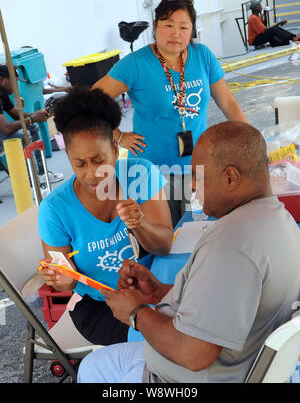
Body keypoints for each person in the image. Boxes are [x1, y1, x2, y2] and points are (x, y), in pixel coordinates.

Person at [77, 120, 300, 383]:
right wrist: (162, 291)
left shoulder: (229, 245)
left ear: (230, 177)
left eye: (198, 175)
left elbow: (193, 354)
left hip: (191, 378)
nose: (192, 186)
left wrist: (136, 313)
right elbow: (231, 300)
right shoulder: (280, 220)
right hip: (240, 361)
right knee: (93, 365)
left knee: (95, 371)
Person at [92, 0, 247, 228]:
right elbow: (92, 101)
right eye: (168, 25)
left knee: (196, 231)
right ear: (155, 27)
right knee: (162, 237)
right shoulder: (135, 64)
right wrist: (118, 136)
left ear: (192, 29)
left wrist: (251, 142)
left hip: (197, 167)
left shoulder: (203, 56)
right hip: (150, 171)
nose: (176, 33)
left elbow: (227, 102)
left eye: (184, 27)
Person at [37, 87, 173, 346]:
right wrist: (64, 279)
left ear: (114, 147)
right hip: (99, 307)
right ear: (68, 157)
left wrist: (139, 223)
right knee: (164, 341)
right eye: (79, 163)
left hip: (156, 289)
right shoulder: (54, 210)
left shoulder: (140, 175)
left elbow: (164, 246)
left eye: (99, 160)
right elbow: (65, 281)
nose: (92, 174)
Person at [0, 64, 64, 183]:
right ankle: (31, 183)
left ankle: (41, 174)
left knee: (32, 126)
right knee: (21, 135)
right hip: (2, 130)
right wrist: (32, 118)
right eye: (13, 81)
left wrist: (40, 114)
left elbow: (15, 114)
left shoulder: (2, 93)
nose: (16, 85)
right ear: (1, 79)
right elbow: (5, 129)